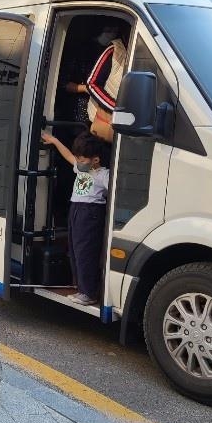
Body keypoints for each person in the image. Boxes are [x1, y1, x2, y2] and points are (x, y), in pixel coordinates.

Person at [40, 130, 109, 306]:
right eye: (78, 159)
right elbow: (69, 156)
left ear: (96, 160)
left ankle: (89, 292)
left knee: (86, 251)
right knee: (75, 249)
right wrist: (55, 140)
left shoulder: (103, 175)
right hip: (76, 209)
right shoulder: (81, 167)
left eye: (82, 160)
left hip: (90, 212)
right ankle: (80, 288)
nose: (78, 162)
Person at [64, 23, 129, 142]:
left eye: (114, 30)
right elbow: (65, 84)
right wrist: (85, 88)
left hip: (101, 107)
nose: (111, 33)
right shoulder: (85, 51)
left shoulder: (119, 52)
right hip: (83, 110)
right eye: (108, 29)